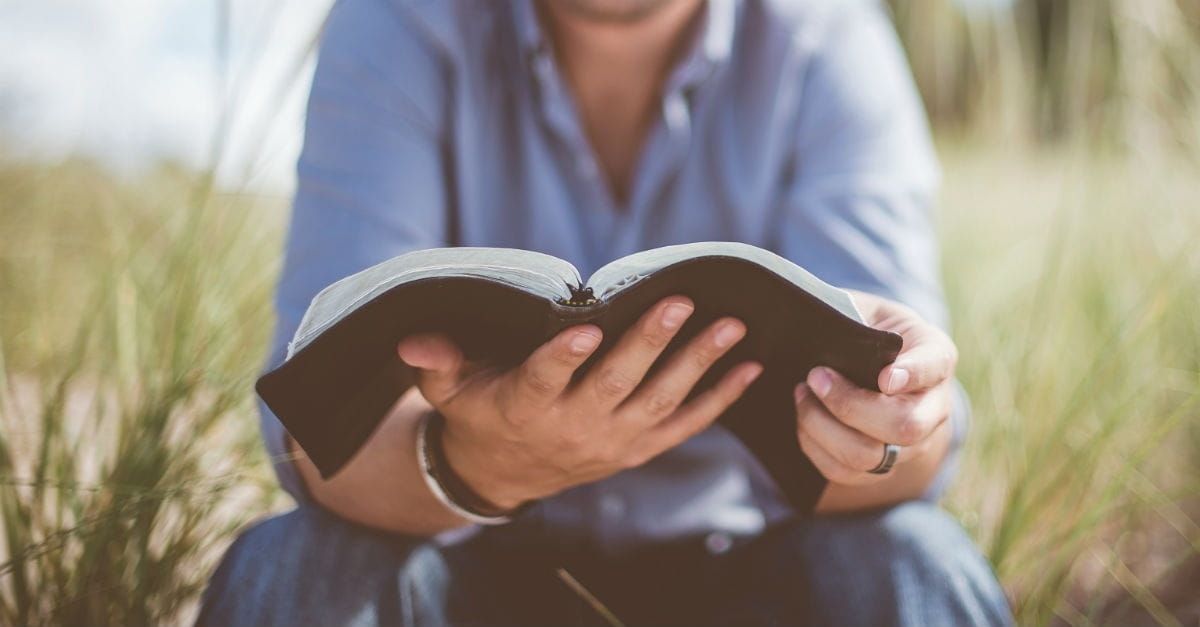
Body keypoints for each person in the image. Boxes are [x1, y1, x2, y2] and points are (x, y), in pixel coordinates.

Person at [198, 0, 1013, 624]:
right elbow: (314, 438)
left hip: (747, 560)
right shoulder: (397, 22)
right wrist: (485, 467)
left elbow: (915, 454)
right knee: (299, 568)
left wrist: (886, 417)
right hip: (457, 562)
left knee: (914, 560)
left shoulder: (827, 37)